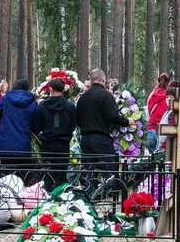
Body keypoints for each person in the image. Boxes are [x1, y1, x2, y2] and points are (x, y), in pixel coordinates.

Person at [76, 69, 133, 197]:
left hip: (85, 138)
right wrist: (127, 121)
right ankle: (111, 198)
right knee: (109, 170)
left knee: (89, 171)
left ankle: (90, 197)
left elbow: (78, 119)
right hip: (101, 138)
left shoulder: (83, 98)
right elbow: (113, 116)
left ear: (91, 80)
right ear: (103, 80)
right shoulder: (106, 96)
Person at [0, 78, 38, 182]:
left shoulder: (5, 99)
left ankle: (8, 197)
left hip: (6, 147)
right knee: (22, 180)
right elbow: (36, 126)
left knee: (7, 179)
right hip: (24, 147)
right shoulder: (32, 102)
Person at [33, 77, 77, 191]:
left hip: (47, 144)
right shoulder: (70, 106)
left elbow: (37, 126)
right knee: (61, 174)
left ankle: (48, 198)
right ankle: (60, 198)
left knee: (48, 174)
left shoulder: (42, 106)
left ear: (50, 89)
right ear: (63, 90)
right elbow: (73, 125)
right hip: (63, 144)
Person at [145, 73, 171, 152]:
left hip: (151, 129)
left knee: (152, 158)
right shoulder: (169, 97)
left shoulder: (152, 95)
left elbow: (148, 109)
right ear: (169, 83)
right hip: (163, 131)